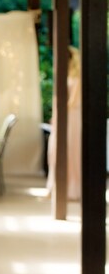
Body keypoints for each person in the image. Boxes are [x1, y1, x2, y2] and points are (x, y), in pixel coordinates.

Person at [47, 47, 81, 201]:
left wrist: (60, 113)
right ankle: (54, 186)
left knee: (70, 149)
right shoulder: (64, 74)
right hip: (63, 115)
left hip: (72, 116)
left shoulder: (77, 76)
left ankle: (71, 188)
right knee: (55, 149)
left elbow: (72, 101)